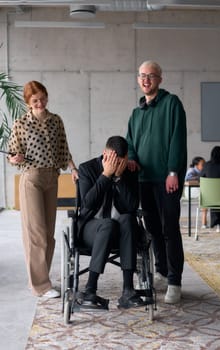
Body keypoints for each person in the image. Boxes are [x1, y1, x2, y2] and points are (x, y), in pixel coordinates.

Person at [7, 81, 78, 298]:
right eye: (35, 100)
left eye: (43, 98)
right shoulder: (21, 124)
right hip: (32, 179)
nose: (40, 103)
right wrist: (15, 158)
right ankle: (41, 285)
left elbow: (63, 149)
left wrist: (73, 169)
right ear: (28, 102)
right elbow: (13, 155)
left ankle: (40, 277)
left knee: (48, 234)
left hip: (52, 177)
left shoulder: (56, 121)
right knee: (36, 233)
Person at [126, 60, 187, 304]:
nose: (146, 80)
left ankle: (175, 281)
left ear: (160, 79)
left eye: (151, 75)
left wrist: (173, 171)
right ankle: (161, 270)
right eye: (142, 75)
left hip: (166, 179)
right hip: (144, 180)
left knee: (170, 228)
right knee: (153, 230)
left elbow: (177, 139)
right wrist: (130, 158)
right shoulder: (136, 112)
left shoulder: (172, 104)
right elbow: (130, 142)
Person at [77, 135, 144, 309]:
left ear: (126, 158)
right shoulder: (87, 169)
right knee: (108, 224)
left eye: (120, 161)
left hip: (121, 233)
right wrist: (106, 175)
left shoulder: (129, 171)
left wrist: (120, 178)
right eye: (113, 160)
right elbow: (87, 205)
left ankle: (128, 290)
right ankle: (90, 289)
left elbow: (131, 206)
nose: (116, 165)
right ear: (104, 154)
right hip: (92, 230)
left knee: (129, 219)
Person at [200, 145, 220, 232]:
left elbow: (201, 178)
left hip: (210, 198)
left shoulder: (206, 165)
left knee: (215, 199)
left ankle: (217, 223)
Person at [185, 156, 208, 228]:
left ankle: (205, 222)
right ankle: (204, 223)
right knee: (206, 195)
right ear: (196, 165)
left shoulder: (202, 171)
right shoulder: (191, 170)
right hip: (191, 191)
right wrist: (200, 178)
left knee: (206, 195)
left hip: (199, 190)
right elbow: (188, 179)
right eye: (202, 164)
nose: (204, 166)